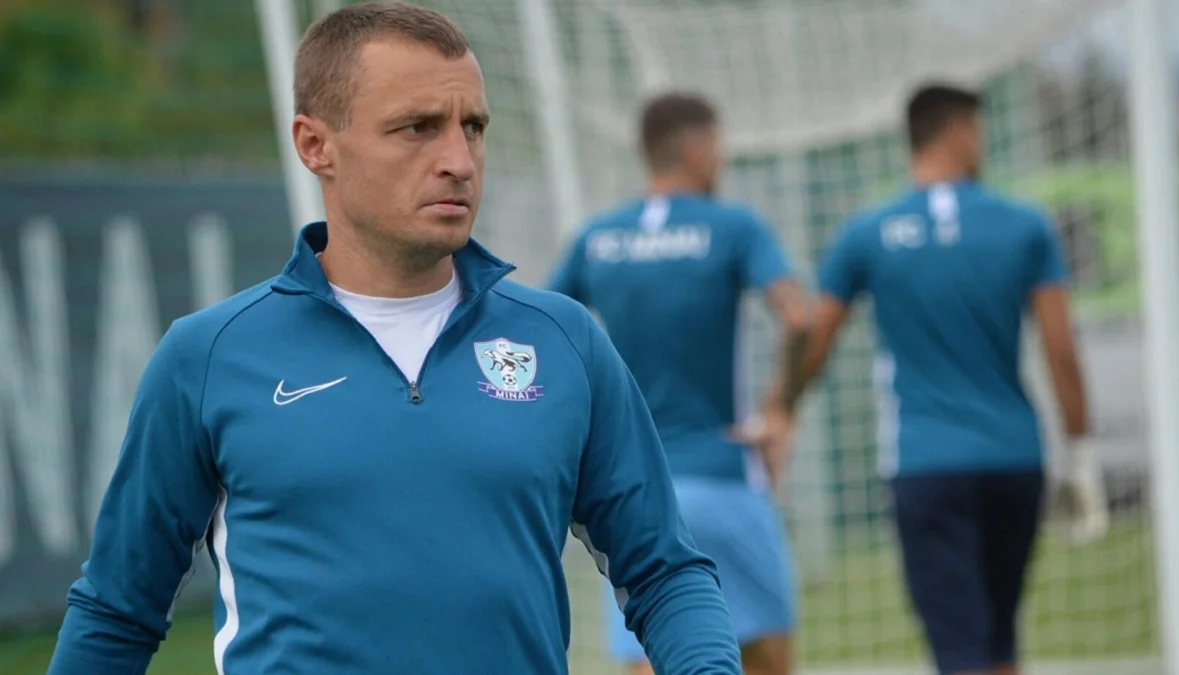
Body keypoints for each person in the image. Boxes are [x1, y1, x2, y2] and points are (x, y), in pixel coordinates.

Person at [46, 4, 743, 674]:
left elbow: (664, 572)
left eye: (473, 127)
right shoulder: (207, 357)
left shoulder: (565, 341)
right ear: (315, 145)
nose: (459, 160)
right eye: (418, 127)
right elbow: (117, 608)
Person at [798, 83, 1108, 675]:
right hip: (1015, 457)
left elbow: (816, 341)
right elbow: (1060, 350)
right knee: (1001, 643)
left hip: (925, 461)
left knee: (959, 652)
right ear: (960, 133)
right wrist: (1082, 454)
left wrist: (780, 408)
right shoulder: (1025, 225)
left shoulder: (867, 231)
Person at [547, 92, 812, 675]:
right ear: (698, 149)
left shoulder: (597, 237)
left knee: (652, 655)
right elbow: (798, 319)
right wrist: (780, 409)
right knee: (764, 657)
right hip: (725, 473)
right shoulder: (734, 226)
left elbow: (540, 333)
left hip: (632, 490)